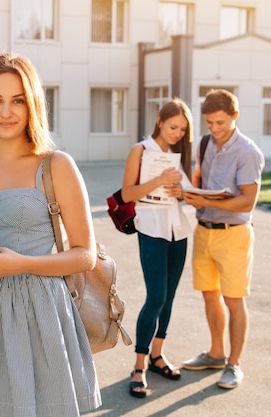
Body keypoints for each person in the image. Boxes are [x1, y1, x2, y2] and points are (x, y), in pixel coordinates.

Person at [0, 52, 101, 417]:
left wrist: (23, 263)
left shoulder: (56, 164)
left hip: (39, 303)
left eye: (18, 100)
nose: (5, 112)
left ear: (33, 105)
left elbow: (85, 255)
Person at [182, 89, 265, 389]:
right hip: (204, 230)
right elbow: (200, 179)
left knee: (233, 299)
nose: (214, 129)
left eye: (220, 122)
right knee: (209, 294)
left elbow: (247, 202)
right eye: (209, 123)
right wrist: (191, 192)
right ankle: (216, 353)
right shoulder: (205, 143)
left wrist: (209, 202)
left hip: (234, 236)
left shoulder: (248, 152)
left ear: (235, 116)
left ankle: (234, 363)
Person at [121, 98, 194, 398]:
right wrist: (159, 180)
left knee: (170, 297)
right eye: (173, 126)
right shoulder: (140, 151)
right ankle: (138, 366)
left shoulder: (178, 154)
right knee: (156, 297)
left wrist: (181, 192)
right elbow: (127, 193)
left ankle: (158, 355)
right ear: (160, 121)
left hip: (178, 231)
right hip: (151, 230)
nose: (177, 133)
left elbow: (188, 194)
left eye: (183, 130)